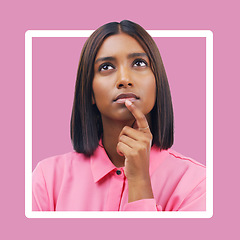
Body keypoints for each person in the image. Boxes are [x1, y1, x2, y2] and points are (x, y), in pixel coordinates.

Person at [32, 20, 206, 211]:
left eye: (139, 63)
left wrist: (140, 181)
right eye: (106, 67)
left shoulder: (197, 185)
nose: (124, 79)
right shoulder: (47, 179)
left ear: (158, 82)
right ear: (89, 91)